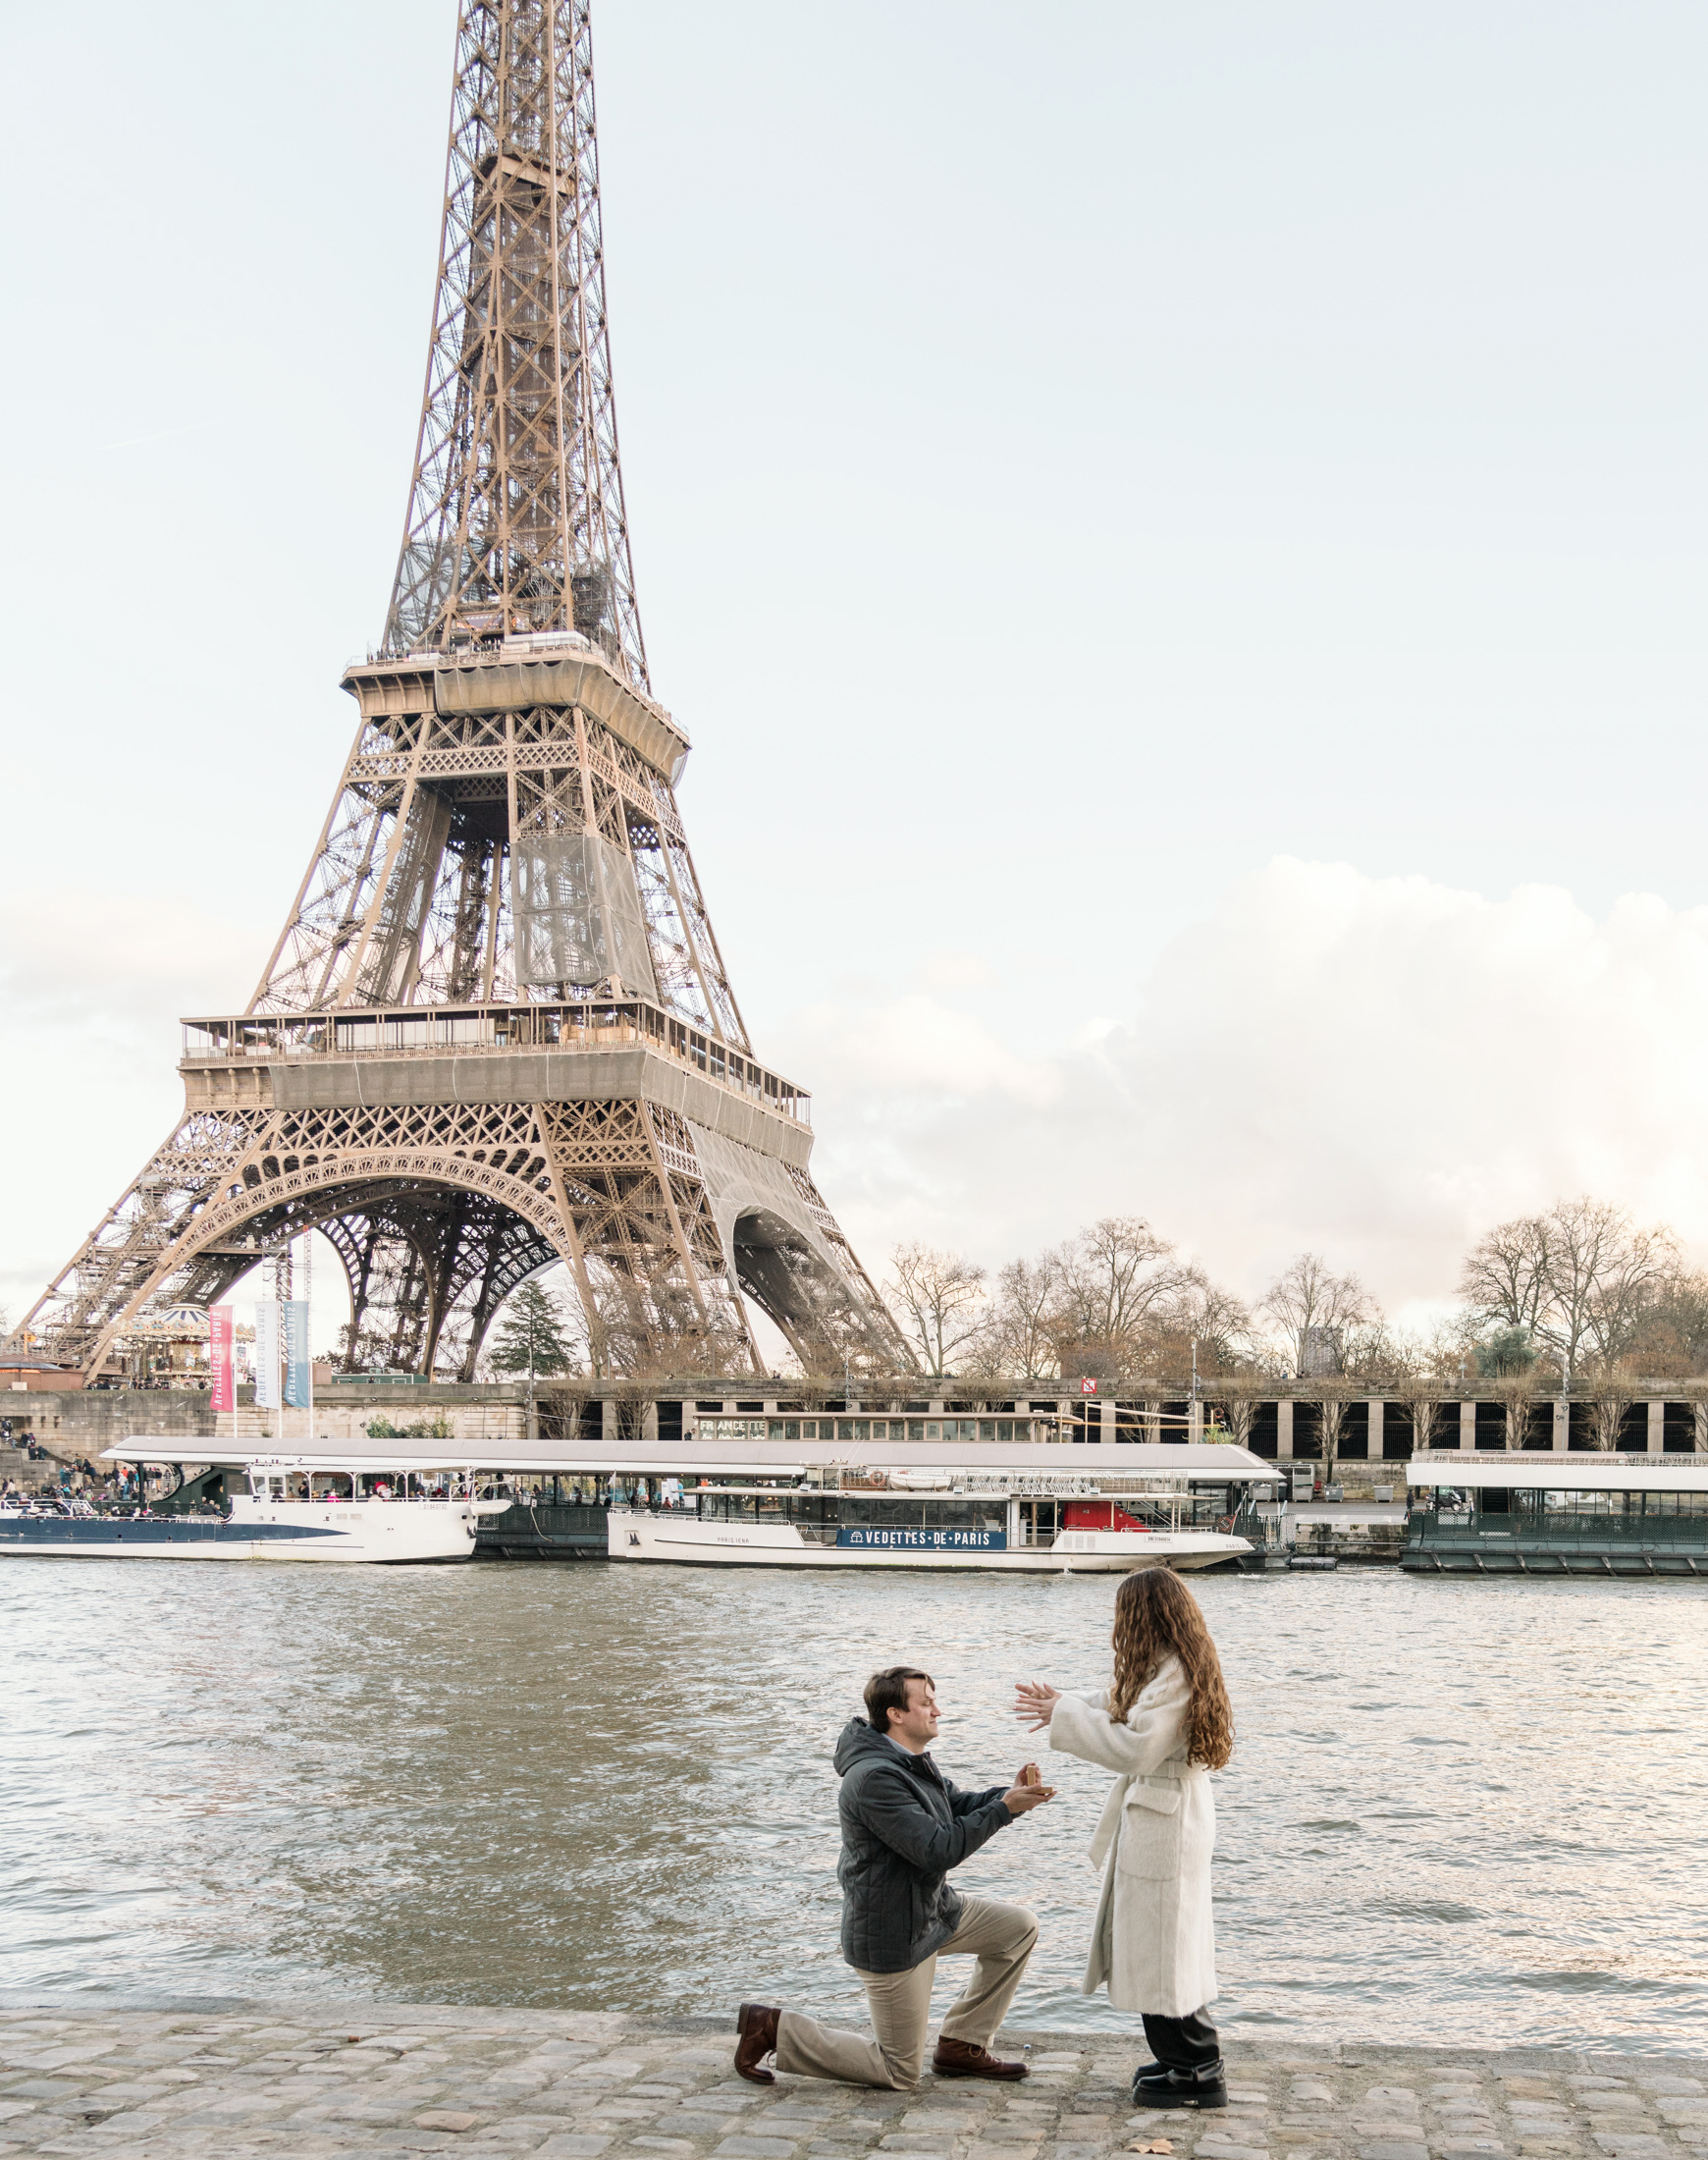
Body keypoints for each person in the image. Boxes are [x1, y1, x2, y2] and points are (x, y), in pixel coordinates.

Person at [734, 1665, 1052, 2091]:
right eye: (926, 1703)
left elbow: (955, 1805)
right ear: (896, 1714)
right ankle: (773, 2028)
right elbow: (938, 1849)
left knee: (1018, 1930)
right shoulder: (874, 1779)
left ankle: (962, 2046)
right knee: (898, 2071)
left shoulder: (907, 1760)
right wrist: (1004, 1810)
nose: (937, 1710)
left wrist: (1005, 1795)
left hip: (933, 1911)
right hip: (892, 1932)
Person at [1015, 1568, 1234, 2111]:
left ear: (1143, 1615)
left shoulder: (1175, 1673)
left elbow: (1137, 1747)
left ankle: (1197, 2071)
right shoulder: (1169, 1666)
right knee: (1161, 1944)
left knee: (1161, 1948)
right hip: (1163, 1815)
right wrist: (1063, 1703)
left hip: (1165, 1819)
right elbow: (1120, 1702)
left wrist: (1064, 1714)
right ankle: (1182, 2060)